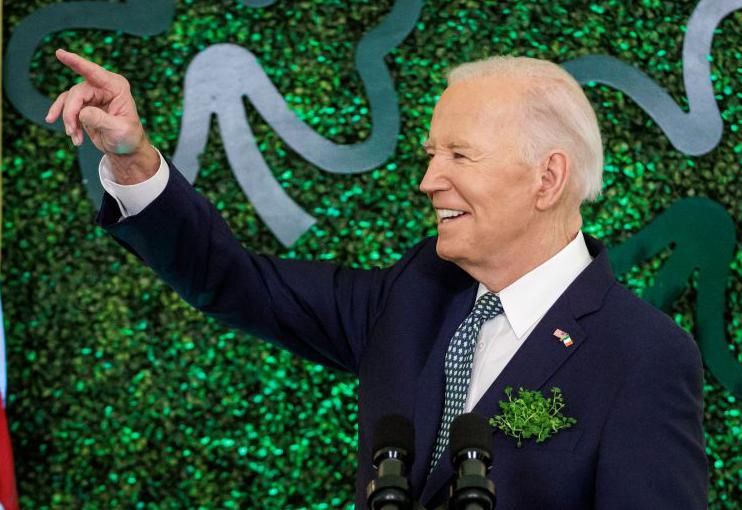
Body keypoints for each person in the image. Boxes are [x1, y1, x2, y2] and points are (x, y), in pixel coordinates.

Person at [47, 48, 708, 509]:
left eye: (458, 155)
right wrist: (132, 161)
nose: (428, 181)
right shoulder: (413, 295)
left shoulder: (642, 355)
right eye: (429, 155)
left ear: (547, 178)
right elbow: (235, 281)